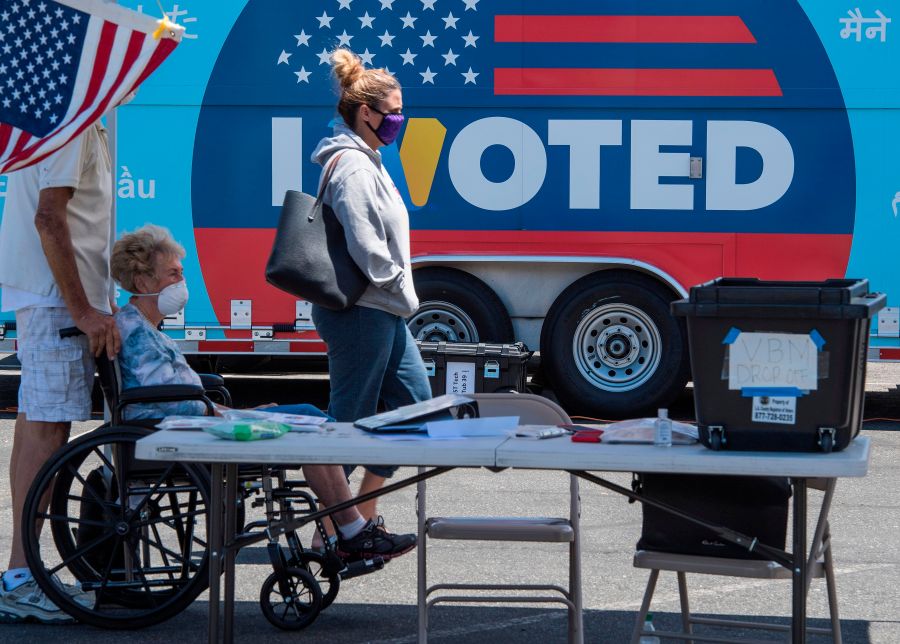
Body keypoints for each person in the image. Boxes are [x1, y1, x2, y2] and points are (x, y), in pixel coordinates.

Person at [108, 224, 416, 563]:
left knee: (311, 419)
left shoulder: (144, 328)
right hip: (179, 435)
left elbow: (176, 398)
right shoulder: (136, 333)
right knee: (311, 422)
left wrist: (240, 412)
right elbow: (173, 403)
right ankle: (352, 530)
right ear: (142, 282)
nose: (181, 282)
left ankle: (349, 529)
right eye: (173, 274)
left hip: (191, 423)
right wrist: (241, 415)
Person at [307, 49, 432, 547]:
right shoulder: (352, 168)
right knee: (348, 425)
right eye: (394, 112)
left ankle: (354, 518)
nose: (400, 121)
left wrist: (398, 298)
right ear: (366, 113)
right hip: (362, 310)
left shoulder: (368, 161)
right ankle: (330, 530)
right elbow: (365, 244)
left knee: (415, 411)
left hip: (383, 311)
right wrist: (402, 287)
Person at [0, 122, 119, 624]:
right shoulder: (74, 123)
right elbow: (49, 219)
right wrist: (85, 312)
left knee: (39, 428)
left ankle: (23, 574)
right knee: (46, 430)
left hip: (50, 301)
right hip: (57, 305)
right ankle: (21, 577)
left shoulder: (69, 118)